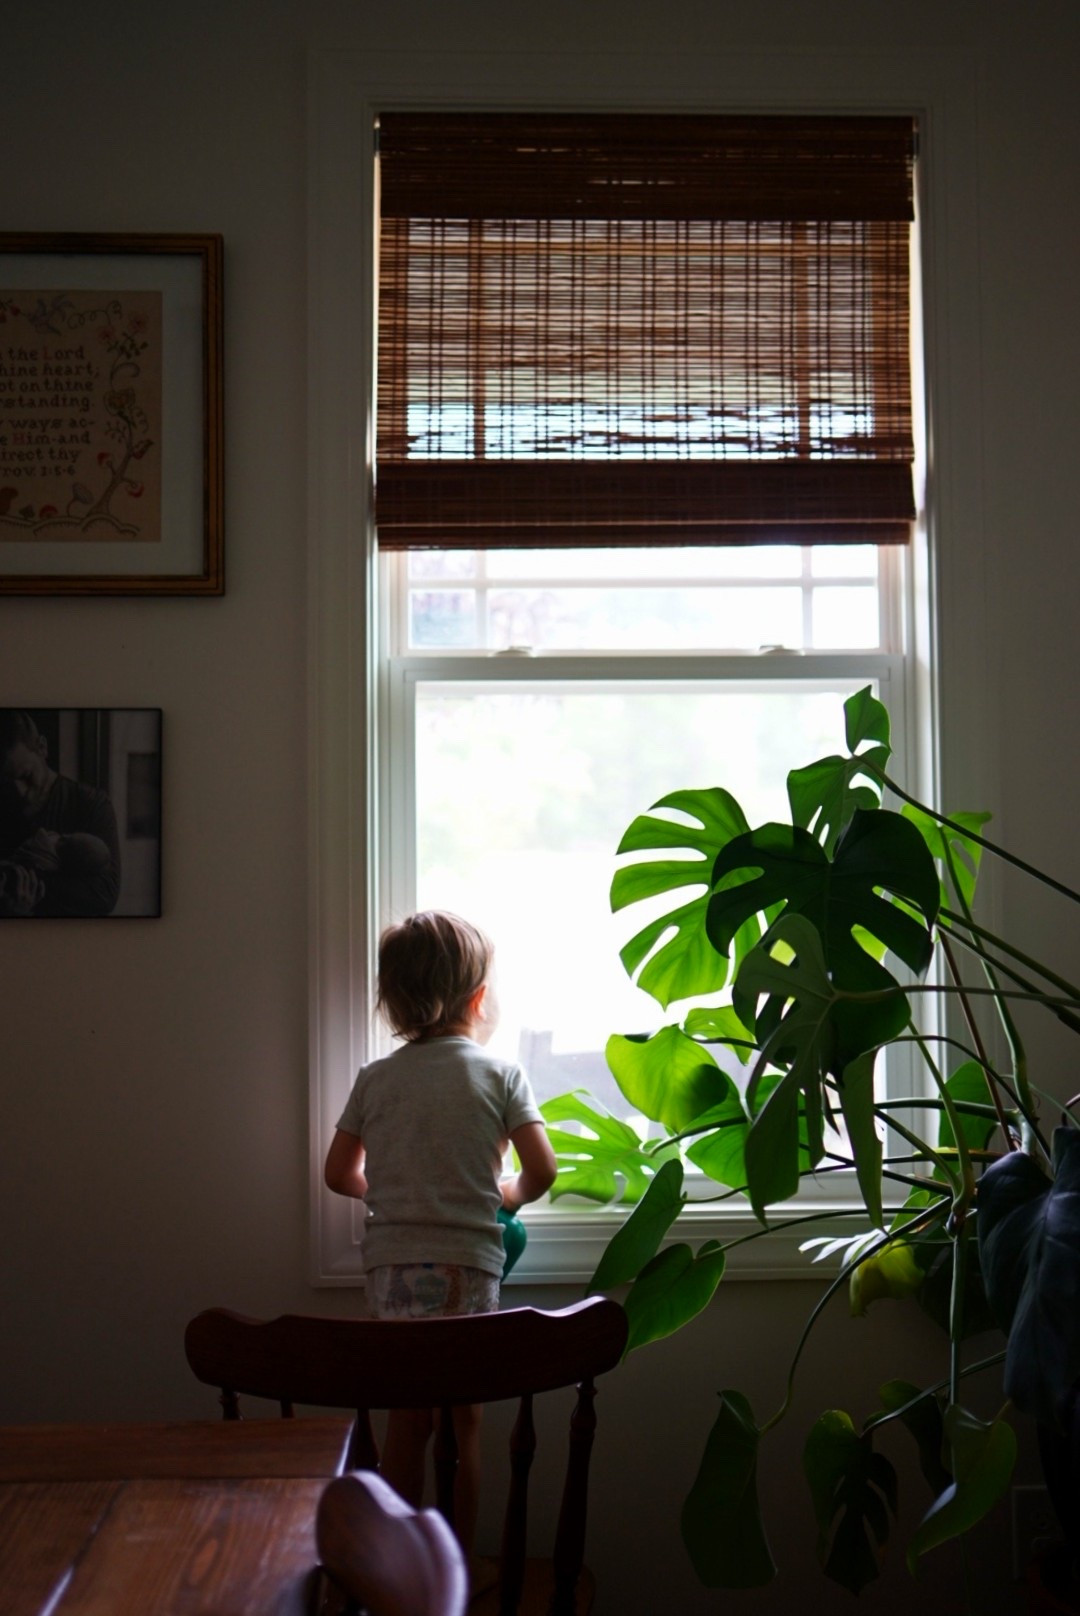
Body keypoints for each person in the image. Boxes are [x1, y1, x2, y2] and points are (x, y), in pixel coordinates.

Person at [323, 910, 557, 1557]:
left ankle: (396, 1569)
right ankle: (456, 1569)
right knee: (464, 1426)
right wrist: (504, 1195)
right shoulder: (501, 1075)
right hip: (466, 1267)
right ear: (478, 999)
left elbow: (337, 1174)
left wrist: (391, 1193)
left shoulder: (375, 1078)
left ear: (394, 1001)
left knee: (407, 1420)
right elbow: (542, 1170)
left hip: (391, 1272)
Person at [0, 711, 121, 917]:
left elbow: (103, 895)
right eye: (5, 783)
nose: (20, 792)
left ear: (42, 747)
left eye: (26, 776)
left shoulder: (91, 803)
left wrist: (14, 883)